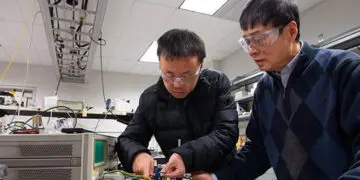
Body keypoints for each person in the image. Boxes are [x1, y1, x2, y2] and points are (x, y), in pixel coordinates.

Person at [192, 0, 360, 179]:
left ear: (291, 31)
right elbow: (257, 150)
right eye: (246, 42)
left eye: (260, 39)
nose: (251, 50)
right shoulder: (264, 89)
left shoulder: (344, 71)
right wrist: (216, 178)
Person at [117, 29, 239, 178]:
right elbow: (128, 139)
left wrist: (184, 156)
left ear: (200, 67)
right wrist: (137, 154)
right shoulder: (150, 98)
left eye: (186, 76)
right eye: (168, 75)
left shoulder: (216, 83)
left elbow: (227, 132)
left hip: (221, 174)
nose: (177, 85)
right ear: (160, 66)